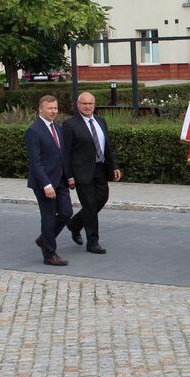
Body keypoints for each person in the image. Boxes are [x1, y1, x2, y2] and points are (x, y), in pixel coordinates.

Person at [62, 92, 122, 255]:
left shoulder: (100, 121)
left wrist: (114, 165)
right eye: (84, 104)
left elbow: (106, 146)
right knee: (89, 205)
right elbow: (65, 153)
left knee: (101, 199)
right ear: (78, 105)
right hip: (81, 172)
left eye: (91, 103)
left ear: (94, 105)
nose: (88, 106)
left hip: (101, 168)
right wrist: (69, 176)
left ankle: (75, 224)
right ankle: (93, 242)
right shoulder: (70, 124)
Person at [25, 95, 72, 266]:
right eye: (49, 108)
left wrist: (69, 177)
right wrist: (46, 184)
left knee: (67, 212)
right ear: (40, 109)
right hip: (44, 183)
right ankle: (49, 255)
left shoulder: (58, 128)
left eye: (55, 108)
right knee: (49, 217)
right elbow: (35, 161)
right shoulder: (33, 130)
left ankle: (45, 238)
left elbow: (63, 156)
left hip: (60, 180)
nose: (53, 111)